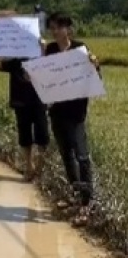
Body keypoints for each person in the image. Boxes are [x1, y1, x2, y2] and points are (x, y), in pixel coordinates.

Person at [45, 12, 100, 227]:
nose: (55, 31)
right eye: (52, 28)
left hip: (76, 112)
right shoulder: (49, 50)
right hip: (57, 111)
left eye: (58, 27)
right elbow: (44, 75)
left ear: (68, 28)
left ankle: (87, 204)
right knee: (67, 155)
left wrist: (95, 66)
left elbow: (94, 77)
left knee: (82, 156)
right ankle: (76, 195)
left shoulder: (80, 49)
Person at [0, 39, 50, 181]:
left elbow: (50, 65)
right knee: (25, 135)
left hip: (39, 100)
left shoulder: (40, 54)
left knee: (43, 135)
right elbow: (1, 66)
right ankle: (29, 167)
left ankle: (40, 168)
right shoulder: (15, 59)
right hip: (20, 101)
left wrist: (44, 49)